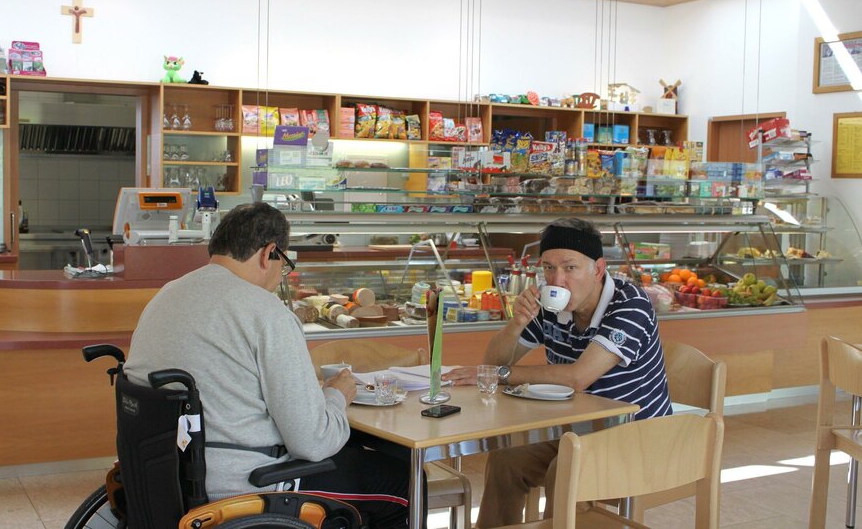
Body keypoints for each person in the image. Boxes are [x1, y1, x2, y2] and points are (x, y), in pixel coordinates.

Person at [124, 202, 417, 527]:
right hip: (245, 484)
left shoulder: (165, 296)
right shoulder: (266, 313)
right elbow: (312, 442)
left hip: (162, 477)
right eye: (285, 264)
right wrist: (337, 396)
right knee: (404, 482)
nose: (282, 276)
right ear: (269, 253)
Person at [442, 217, 672, 527]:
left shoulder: (630, 305)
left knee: (563, 470)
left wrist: (504, 375)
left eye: (570, 268)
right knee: (506, 459)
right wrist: (516, 323)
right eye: (548, 267)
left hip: (636, 436)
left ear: (598, 269)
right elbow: (492, 362)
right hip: (574, 428)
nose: (557, 280)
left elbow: (578, 378)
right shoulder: (549, 303)